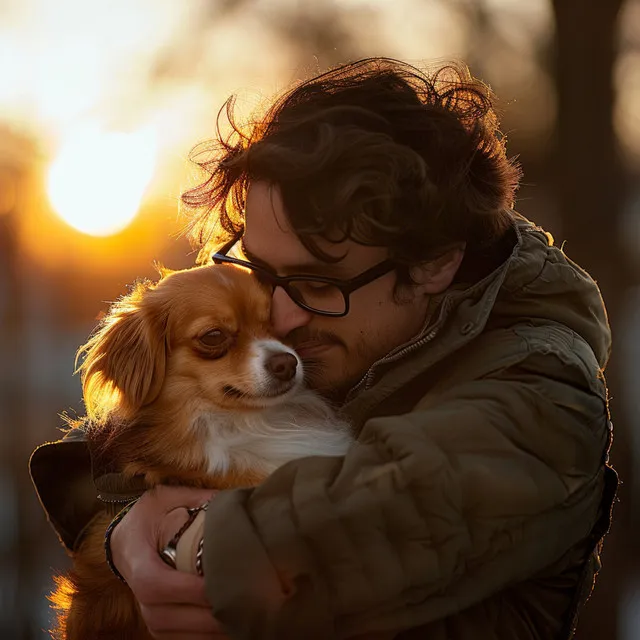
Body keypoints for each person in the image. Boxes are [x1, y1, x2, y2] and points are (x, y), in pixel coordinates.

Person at [30, 57, 618, 640]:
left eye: (318, 284)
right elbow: (110, 445)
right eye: (261, 273)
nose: (282, 316)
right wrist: (117, 533)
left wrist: (178, 539)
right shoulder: (345, 340)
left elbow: (373, 521)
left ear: (436, 263)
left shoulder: (540, 395)